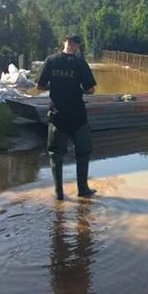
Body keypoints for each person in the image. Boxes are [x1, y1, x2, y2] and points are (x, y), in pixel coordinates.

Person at [37, 34, 97, 200]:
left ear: (64, 43)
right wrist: (78, 90)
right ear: (77, 46)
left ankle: (59, 193)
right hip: (77, 115)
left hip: (57, 115)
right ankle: (83, 190)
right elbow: (91, 89)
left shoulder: (51, 60)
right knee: (83, 153)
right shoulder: (80, 62)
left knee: (56, 155)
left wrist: (55, 87)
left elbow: (40, 85)